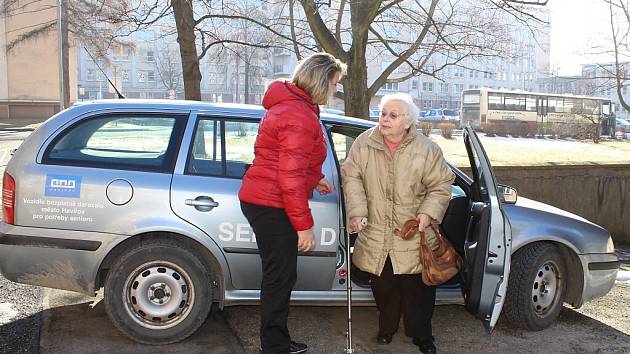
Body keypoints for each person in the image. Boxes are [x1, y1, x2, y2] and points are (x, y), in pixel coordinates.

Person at [239, 52, 346, 354]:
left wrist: (315, 178)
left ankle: (277, 340)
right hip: (271, 202)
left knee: (281, 274)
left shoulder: (295, 107)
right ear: (320, 81)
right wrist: (304, 227)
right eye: (334, 84)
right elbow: (287, 177)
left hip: (266, 196)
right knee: (280, 276)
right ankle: (274, 345)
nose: (335, 91)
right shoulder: (298, 115)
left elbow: (289, 162)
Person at [341, 93, 455, 354]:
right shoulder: (364, 143)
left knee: (419, 288)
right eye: (383, 114)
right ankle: (387, 328)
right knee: (383, 286)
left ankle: (421, 334)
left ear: (407, 122)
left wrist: (428, 213)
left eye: (393, 115)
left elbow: (441, 185)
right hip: (377, 231)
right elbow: (351, 176)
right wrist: (357, 211)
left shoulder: (427, 148)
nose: (385, 119)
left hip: (414, 231)